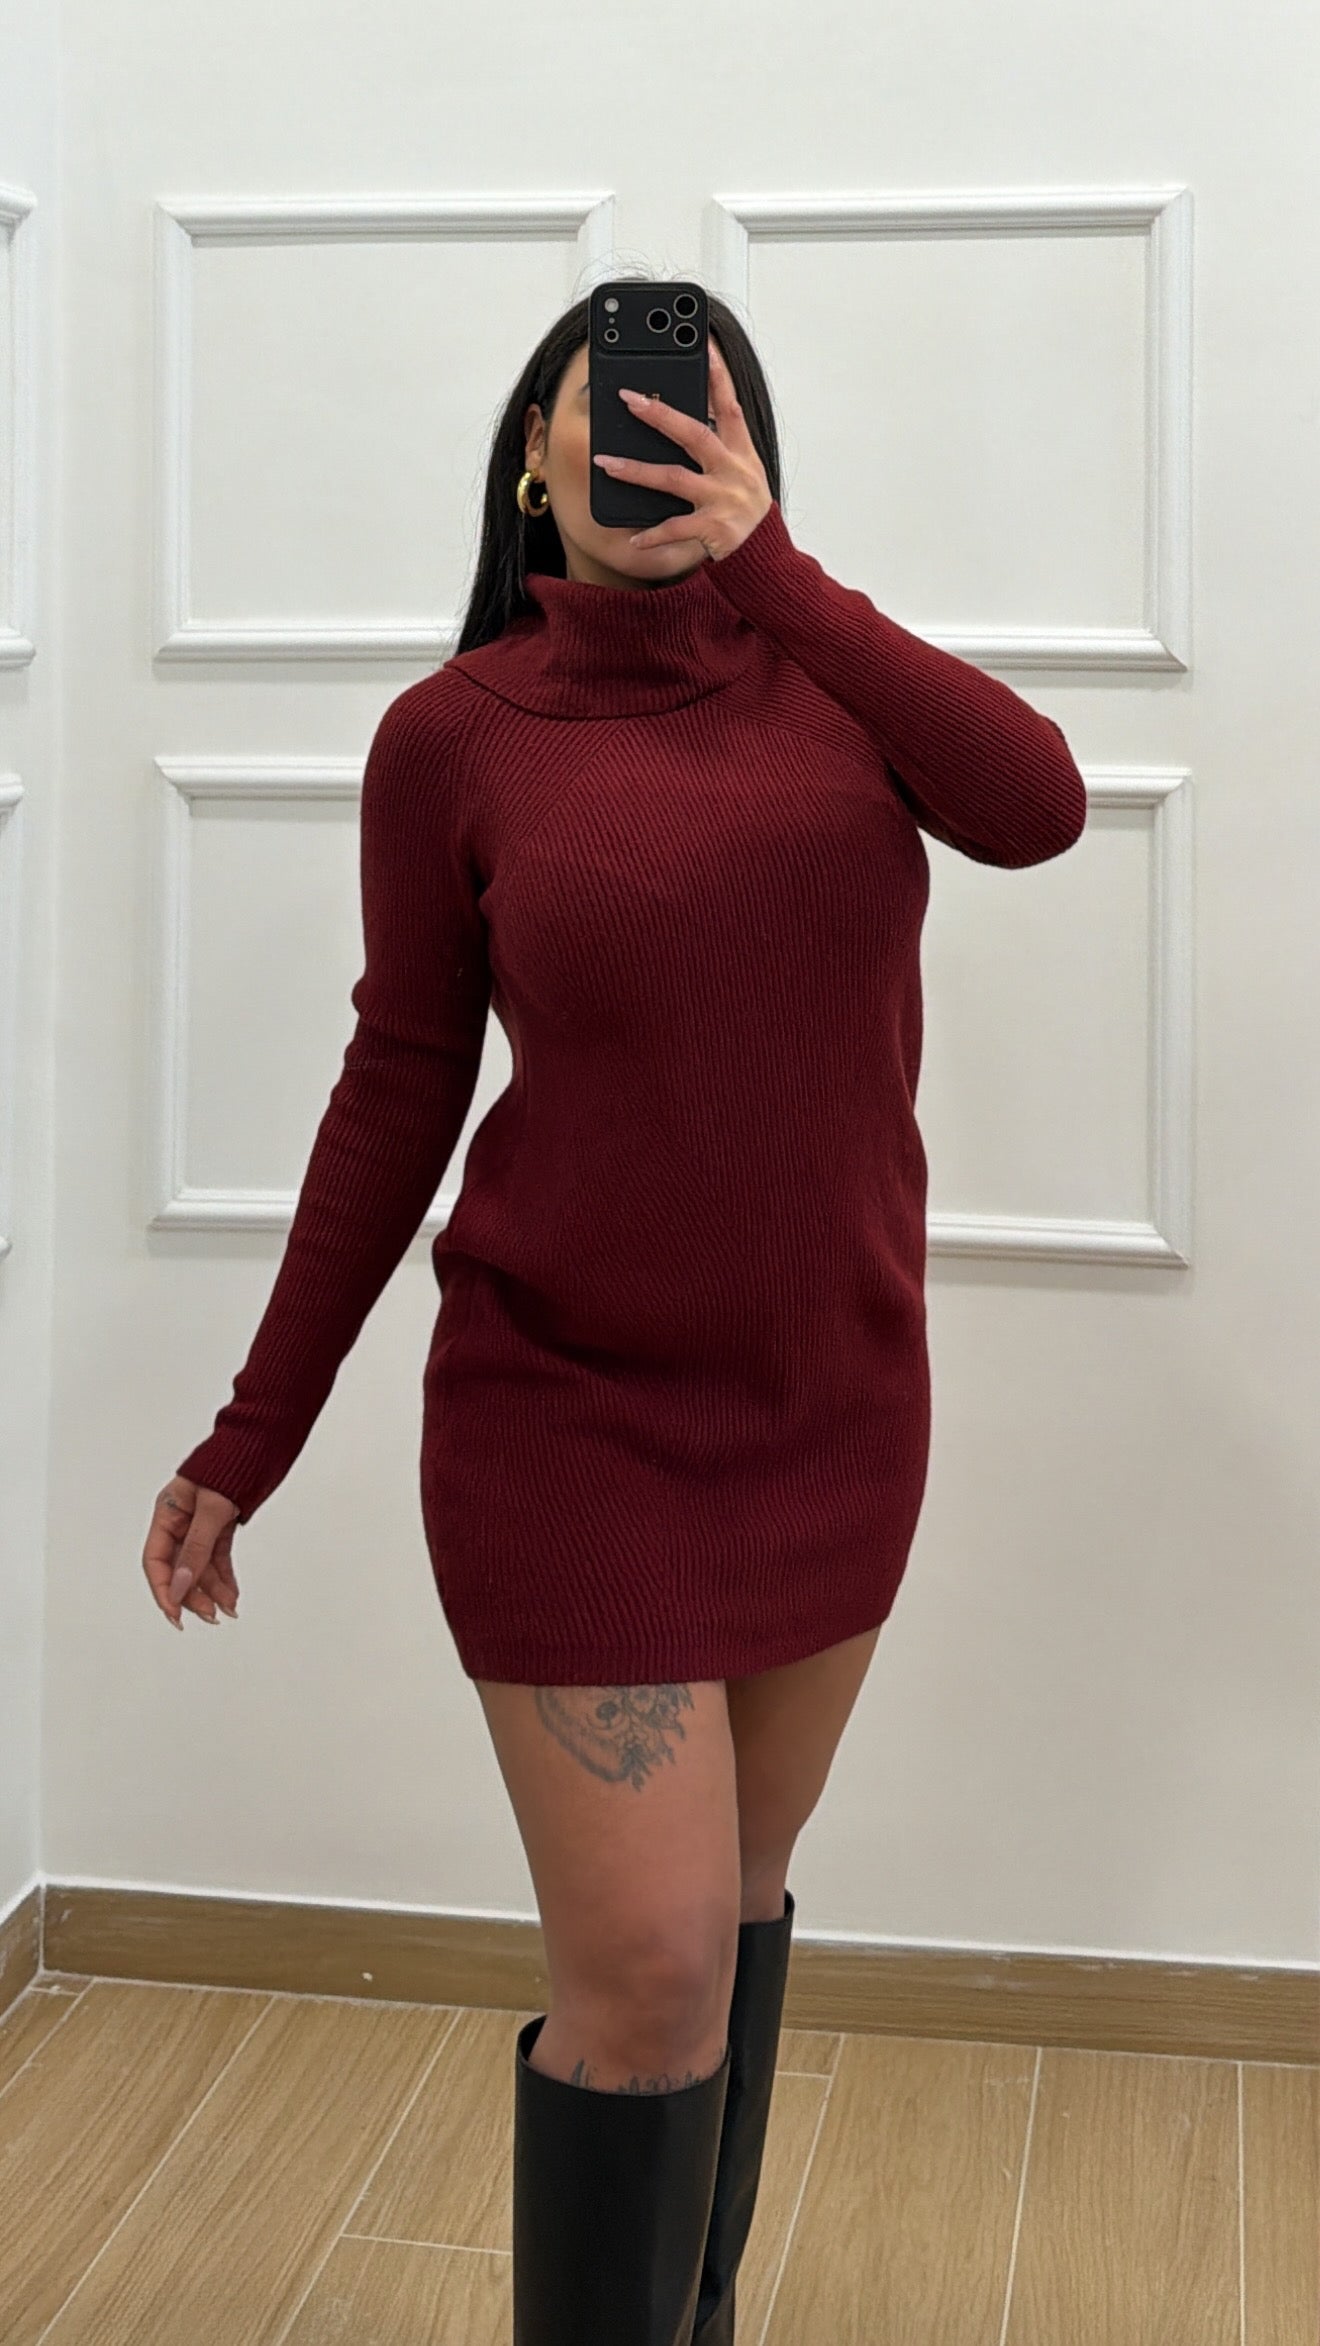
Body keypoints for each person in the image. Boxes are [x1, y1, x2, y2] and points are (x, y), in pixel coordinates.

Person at [141, 281, 1088, 2342]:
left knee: (727, 1915)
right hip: (564, 1416)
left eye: (697, 417)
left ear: (751, 454)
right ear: (533, 459)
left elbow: (1041, 804)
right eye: (615, 413)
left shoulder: (840, 678)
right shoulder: (454, 738)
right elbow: (400, 1081)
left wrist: (781, 575)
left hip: (834, 1406)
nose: (653, 443)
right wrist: (251, 1432)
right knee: (649, 1976)